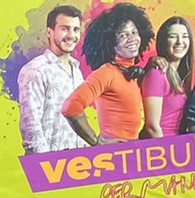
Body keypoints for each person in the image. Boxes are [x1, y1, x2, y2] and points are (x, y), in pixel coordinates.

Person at [62, 4, 154, 144]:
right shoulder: (106, 73)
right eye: (123, 35)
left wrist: (154, 61)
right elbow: (70, 107)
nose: (131, 39)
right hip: (115, 157)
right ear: (111, 43)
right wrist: (97, 142)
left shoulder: (131, 72)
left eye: (134, 32)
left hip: (132, 151)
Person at [16, 6, 88, 154]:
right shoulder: (36, 70)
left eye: (76, 30)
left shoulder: (77, 70)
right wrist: (46, 168)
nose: (71, 35)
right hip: (50, 167)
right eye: (65, 29)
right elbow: (31, 128)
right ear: (49, 32)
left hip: (78, 165)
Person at [142, 16, 195, 138]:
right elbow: (152, 127)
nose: (180, 42)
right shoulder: (156, 73)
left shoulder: (181, 76)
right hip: (162, 148)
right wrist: (165, 152)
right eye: (173, 36)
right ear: (163, 41)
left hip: (178, 145)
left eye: (185, 36)